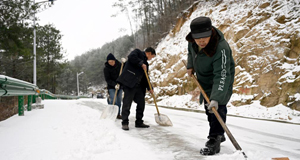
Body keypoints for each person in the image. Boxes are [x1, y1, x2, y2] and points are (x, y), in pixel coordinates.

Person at [185, 16, 235, 155]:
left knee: (217, 106)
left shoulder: (221, 48)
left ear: (211, 32)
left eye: (205, 37)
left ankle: (215, 138)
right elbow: (191, 52)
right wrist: (190, 66)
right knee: (209, 109)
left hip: (221, 78)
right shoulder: (193, 42)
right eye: (198, 38)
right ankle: (219, 133)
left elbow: (222, 75)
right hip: (204, 79)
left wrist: (217, 97)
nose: (201, 41)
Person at [117, 47, 156, 131]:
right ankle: (125, 122)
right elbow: (131, 57)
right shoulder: (137, 52)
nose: (151, 59)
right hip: (129, 83)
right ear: (148, 53)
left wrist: (150, 88)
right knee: (127, 103)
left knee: (141, 103)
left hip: (139, 86)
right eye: (151, 57)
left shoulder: (146, 64)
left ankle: (139, 121)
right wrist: (141, 63)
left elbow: (146, 77)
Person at [104, 53, 125, 119]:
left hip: (120, 85)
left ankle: (118, 114)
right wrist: (114, 84)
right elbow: (108, 79)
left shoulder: (120, 65)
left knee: (119, 101)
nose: (111, 63)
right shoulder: (106, 69)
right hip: (111, 87)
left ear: (115, 60)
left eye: (112, 61)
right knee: (113, 99)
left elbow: (124, 70)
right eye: (109, 62)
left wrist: (124, 63)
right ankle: (111, 113)